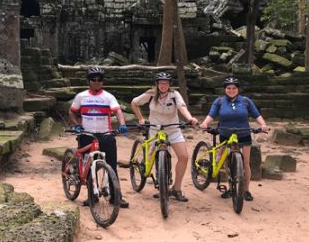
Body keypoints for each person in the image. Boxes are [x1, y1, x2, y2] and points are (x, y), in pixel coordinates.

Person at [130, 72, 198, 202]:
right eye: (161, 83)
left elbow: (182, 107)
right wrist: (140, 118)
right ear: (156, 84)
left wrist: (190, 118)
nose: (163, 85)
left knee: (183, 157)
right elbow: (134, 103)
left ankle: (176, 188)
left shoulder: (174, 95)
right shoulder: (150, 95)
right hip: (155, 130)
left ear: (169, 84)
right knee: (155, 156)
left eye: (166, 83)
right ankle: (163, 187)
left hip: (173, 129)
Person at [199, 77, 269, 201]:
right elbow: (211, 114)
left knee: (246, 163)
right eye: (228, 88)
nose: (231, 90)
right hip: (225, 133)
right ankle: (231, 188)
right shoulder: (219, 101)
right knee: (227, 163)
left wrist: (263, 125)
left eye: (234, 88)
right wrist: (205, 123)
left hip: (243, 133)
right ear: (225, 89)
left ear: (238, 89)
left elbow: (256, 114)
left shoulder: (246, 101)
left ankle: (246, 190)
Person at [68, 66, 129, 208]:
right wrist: (76, 124)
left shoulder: (108, 97)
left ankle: (115, 197)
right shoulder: (81, 97)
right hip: (86, 135)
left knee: (112, 166)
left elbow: (118, 111)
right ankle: (92, 196)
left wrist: (122, 124)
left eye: (99, 80)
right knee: (88, 167)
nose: (96, 82)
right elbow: (71, 112)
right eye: (93, 79)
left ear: (102, 82)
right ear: (89, 81)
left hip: (106, 135)